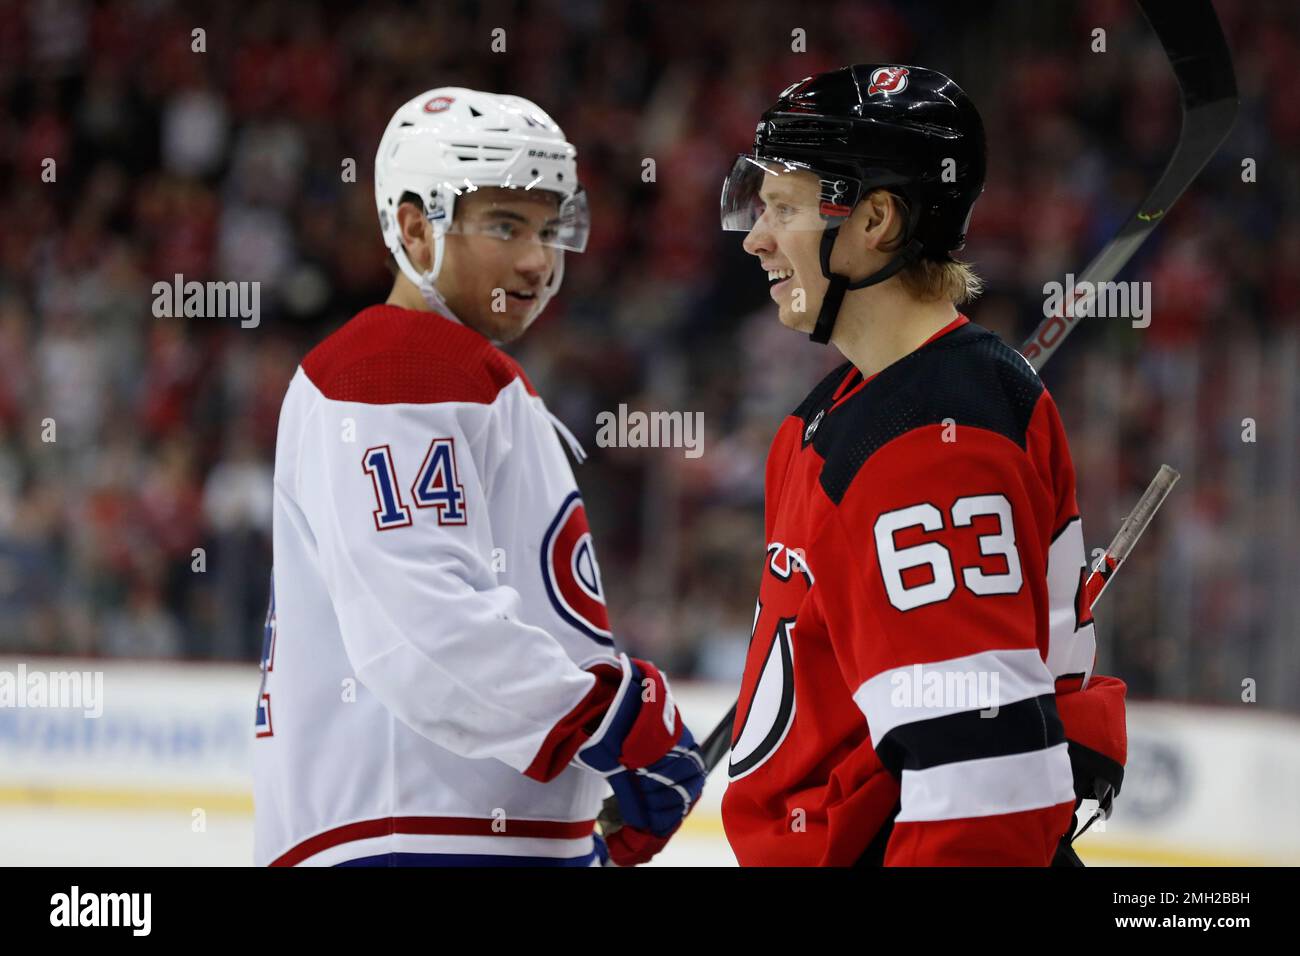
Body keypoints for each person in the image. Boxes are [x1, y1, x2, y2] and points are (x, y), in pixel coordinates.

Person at [253, 87, 704, 867]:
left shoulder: (466, 374)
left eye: (548, 227)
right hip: (411, 841)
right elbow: (423, 628)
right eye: (504, 226)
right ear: (413, 226)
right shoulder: (395, 363)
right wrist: (615, 720)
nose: (537, 259)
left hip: (453, 838)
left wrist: (591, 788)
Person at [717, 65, 1127, 865]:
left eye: (784, 209)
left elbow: (982, 788)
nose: (757, 238)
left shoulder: (931, 447)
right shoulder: (840, 414)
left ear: (875, 218)